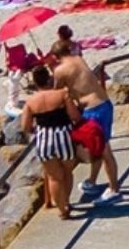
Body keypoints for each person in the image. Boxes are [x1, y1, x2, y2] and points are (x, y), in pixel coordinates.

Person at [48, 27, 120, 199]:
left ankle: (114, 189)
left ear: (55, 57)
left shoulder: (60, 70)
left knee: (104, 150)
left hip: (94, 109)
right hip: (103, 104)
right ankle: (93, 180)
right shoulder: (79, 59)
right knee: (95, 147)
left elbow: (56, 92)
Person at [20, 62, 78, 222]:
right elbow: (74, 116)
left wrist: (36, 130)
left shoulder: (30, 102)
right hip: (64, 136)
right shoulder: (62, 94)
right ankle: (66, 202)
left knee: (54, 177)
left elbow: (25, 126)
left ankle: (62, 209)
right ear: (49, 79)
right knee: (67, 172)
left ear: (35, 82)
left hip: (45, 139)